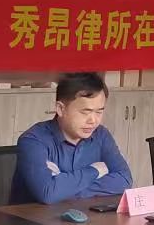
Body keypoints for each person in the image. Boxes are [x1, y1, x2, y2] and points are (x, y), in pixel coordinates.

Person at [11, 72, 132, 205]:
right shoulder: (33, 140)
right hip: (33, 217)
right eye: (85, 112)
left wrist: (63, 189)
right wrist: (96, 170)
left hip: (84, 214)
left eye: (99, 112)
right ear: (60, 109)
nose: (93, 120)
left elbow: (125, 179)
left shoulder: (101, 135)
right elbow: (48, 193)